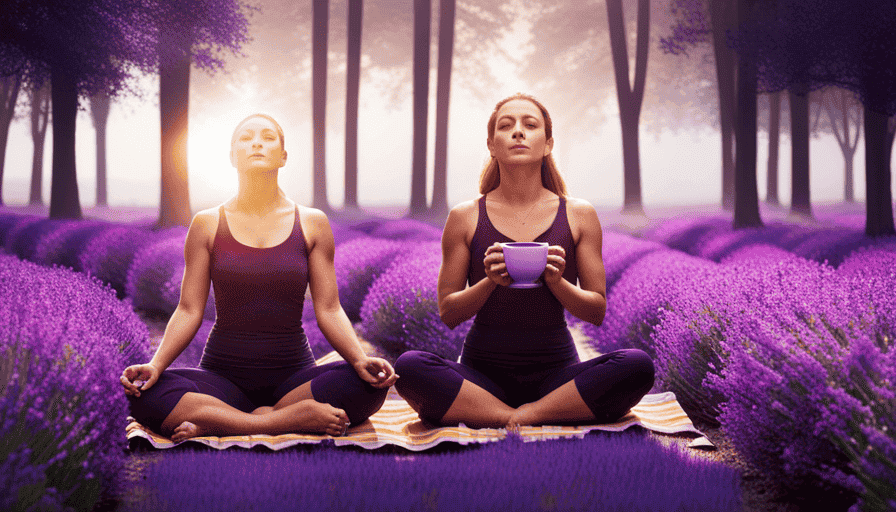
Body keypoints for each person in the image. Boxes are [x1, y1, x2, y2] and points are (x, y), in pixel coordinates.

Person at [121, 113, 398, 442]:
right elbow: (188, 309)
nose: (256, 143)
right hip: (222, 380)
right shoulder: (207, 224)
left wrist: (358, 358)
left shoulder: (312, 223)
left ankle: (221, 422)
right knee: (143, 394)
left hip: (295, 381)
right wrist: (155, 365)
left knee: (366, 385)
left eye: (268, 137)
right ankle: (281, 421)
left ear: (283, 156)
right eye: (245, 137)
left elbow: (329, 308)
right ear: (231, 156)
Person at [393, 94, 654, 429]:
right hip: (482, 378)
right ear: (491, 144)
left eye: (530, 125)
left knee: (637, 365)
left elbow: (596, 310)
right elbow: (448, 312)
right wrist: (489, 281)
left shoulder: (579, 214)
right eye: (507, 125)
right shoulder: (465, 216)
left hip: (557, 377)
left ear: (547, 144)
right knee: (410, 366)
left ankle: (520, 416)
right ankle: (522, 417)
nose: (518, 132)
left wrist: (557, 282)